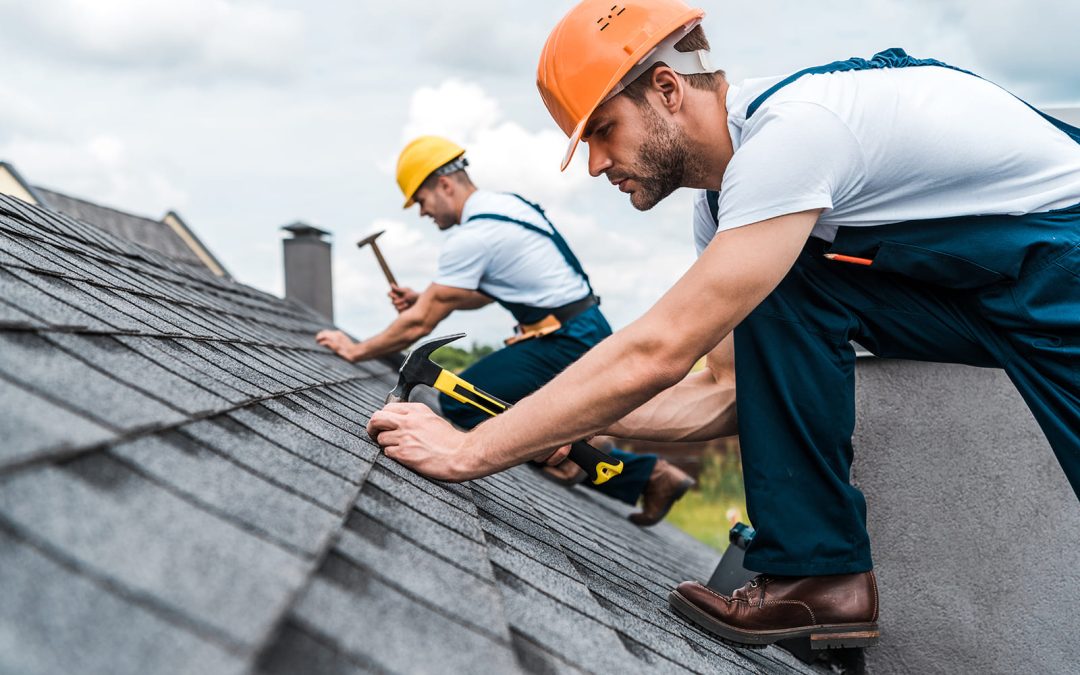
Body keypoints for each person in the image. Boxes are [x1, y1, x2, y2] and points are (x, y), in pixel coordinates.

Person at [366, 0, 1080, 650]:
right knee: (786, 282)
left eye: (603, 130)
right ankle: (819, 577)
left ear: (668, 91)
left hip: (1062, 261)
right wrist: (557, 426)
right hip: (982, 289)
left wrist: (470, 450)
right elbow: (728, 390)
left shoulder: (792, 136)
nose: (594, 164)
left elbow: (659, 348)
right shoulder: (728, 215)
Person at [316, 135, 695, 525]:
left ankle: (618, 466)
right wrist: (426, 297)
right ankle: (626, 468)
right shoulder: (507, 207)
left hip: (563, 339)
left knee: (461, 402)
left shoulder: (474, 235)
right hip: (580, 328)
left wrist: (355, 349)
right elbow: (480, 295)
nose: (423, 213)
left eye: (422, 201)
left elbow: (420, 322)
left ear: (444, 185)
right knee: (521, 412)